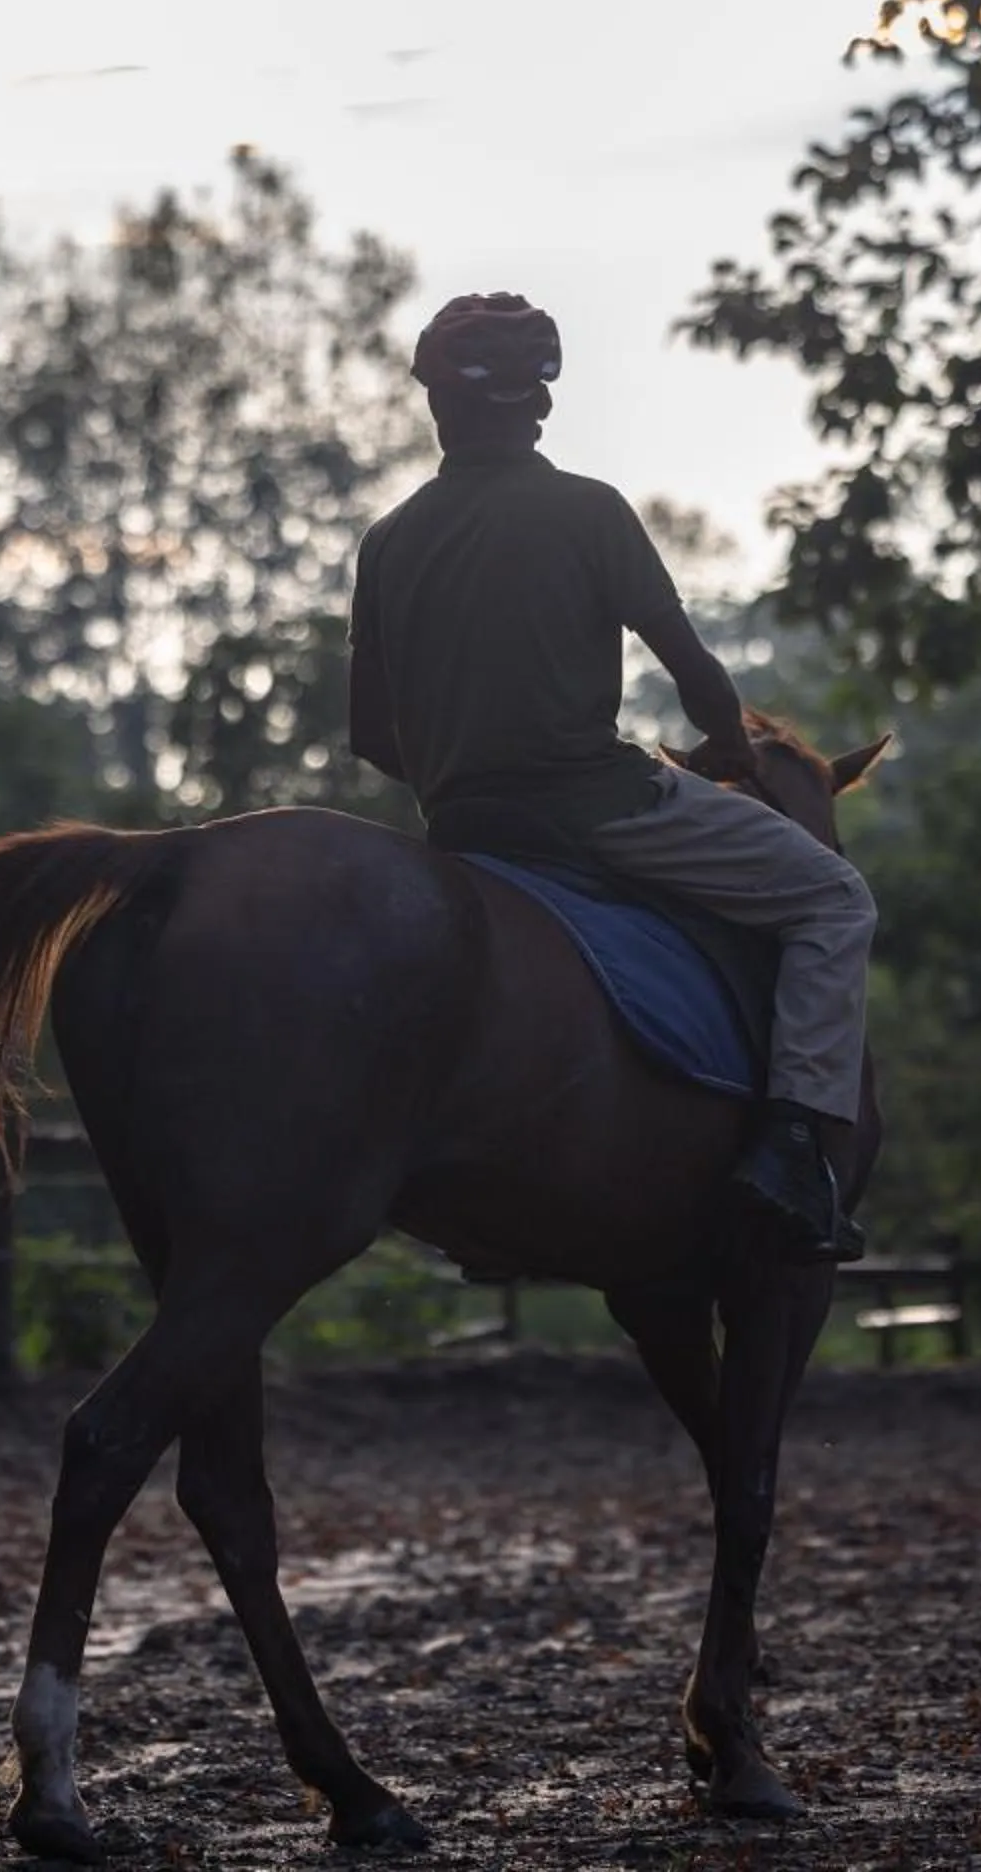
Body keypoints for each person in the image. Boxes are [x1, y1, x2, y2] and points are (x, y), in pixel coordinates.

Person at [346, 291, 877, 1262]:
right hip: (601, 805)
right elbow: (697, 674)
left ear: (437, 405)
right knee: (834, 898)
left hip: (465, 826)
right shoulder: (588, 511)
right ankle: (797, 1142)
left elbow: (370, 737)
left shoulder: (387, 543)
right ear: (538, 406)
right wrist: (728, 747)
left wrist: (461, 769)